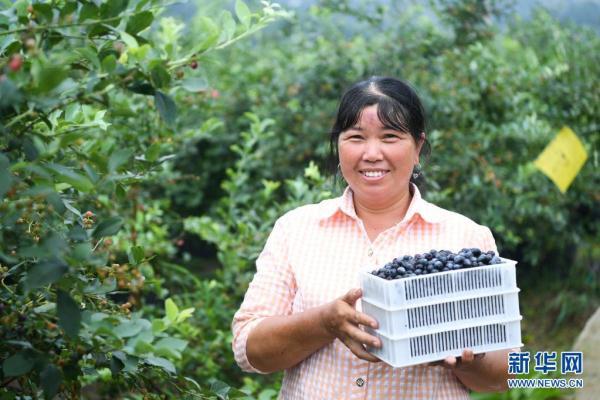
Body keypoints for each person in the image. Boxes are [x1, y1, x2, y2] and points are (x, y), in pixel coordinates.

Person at [232, 77, 516, 399]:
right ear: (338, 145)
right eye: (356, 137)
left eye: (390, 137)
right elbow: (249, 349)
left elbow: (504, 371)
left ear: (418, 147)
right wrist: (324, 324)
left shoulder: (466, 238)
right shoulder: (296, 229)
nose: (371, 153)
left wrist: (464, 361)